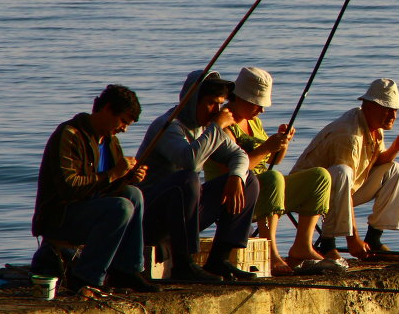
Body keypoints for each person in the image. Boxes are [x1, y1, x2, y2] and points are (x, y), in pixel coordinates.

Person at [31, 84, 160, 294]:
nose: (124, 128)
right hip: (61, 217)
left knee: (133, 195)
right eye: (123, 121)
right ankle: (86, 276)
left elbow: (111, 187)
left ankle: (127, 270)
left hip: (91, 211)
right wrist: (114, 174)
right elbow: (69, 188)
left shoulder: (111, 142)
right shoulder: (70, 134)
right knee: (121, 207)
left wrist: (129, 178)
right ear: (107, 109)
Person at [137, 70, 261, 282]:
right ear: (192, 100)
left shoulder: (206, 128)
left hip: (185, 216)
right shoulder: (168, 126)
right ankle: (184, 265)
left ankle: (218, 260)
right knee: (188, 179)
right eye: (211, 103)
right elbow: (190, 161)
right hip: (152, 216)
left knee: (248, 180)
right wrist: (217, 127)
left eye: (220, 104)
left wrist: (235, 177)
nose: (217, 110)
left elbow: (239, 155)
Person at [205, 67, 331, 275]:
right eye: (258, 104)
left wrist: (282, 143)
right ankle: (271, 253)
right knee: (273, 178)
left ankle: (303, 246)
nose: (262, 110)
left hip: (267, 190)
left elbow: (274, 160)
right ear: (242, 99)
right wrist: (266, 148)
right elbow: (232, 169)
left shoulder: (255, 122)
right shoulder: (223, 124)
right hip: (235, 195)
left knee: (319, 176)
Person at [290, 77, 399, 260]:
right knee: (342, 172)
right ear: (369, 106)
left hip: (341, 190)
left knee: (395, 170)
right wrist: (353, 239)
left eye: (395, 110)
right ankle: (327, 244)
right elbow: (343, 184)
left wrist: (395, 148)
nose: (393, 115)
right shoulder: (349, 134)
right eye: (388, 109)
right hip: (309, 195)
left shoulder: (374, 126)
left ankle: (374, 239)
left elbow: (376, 162)